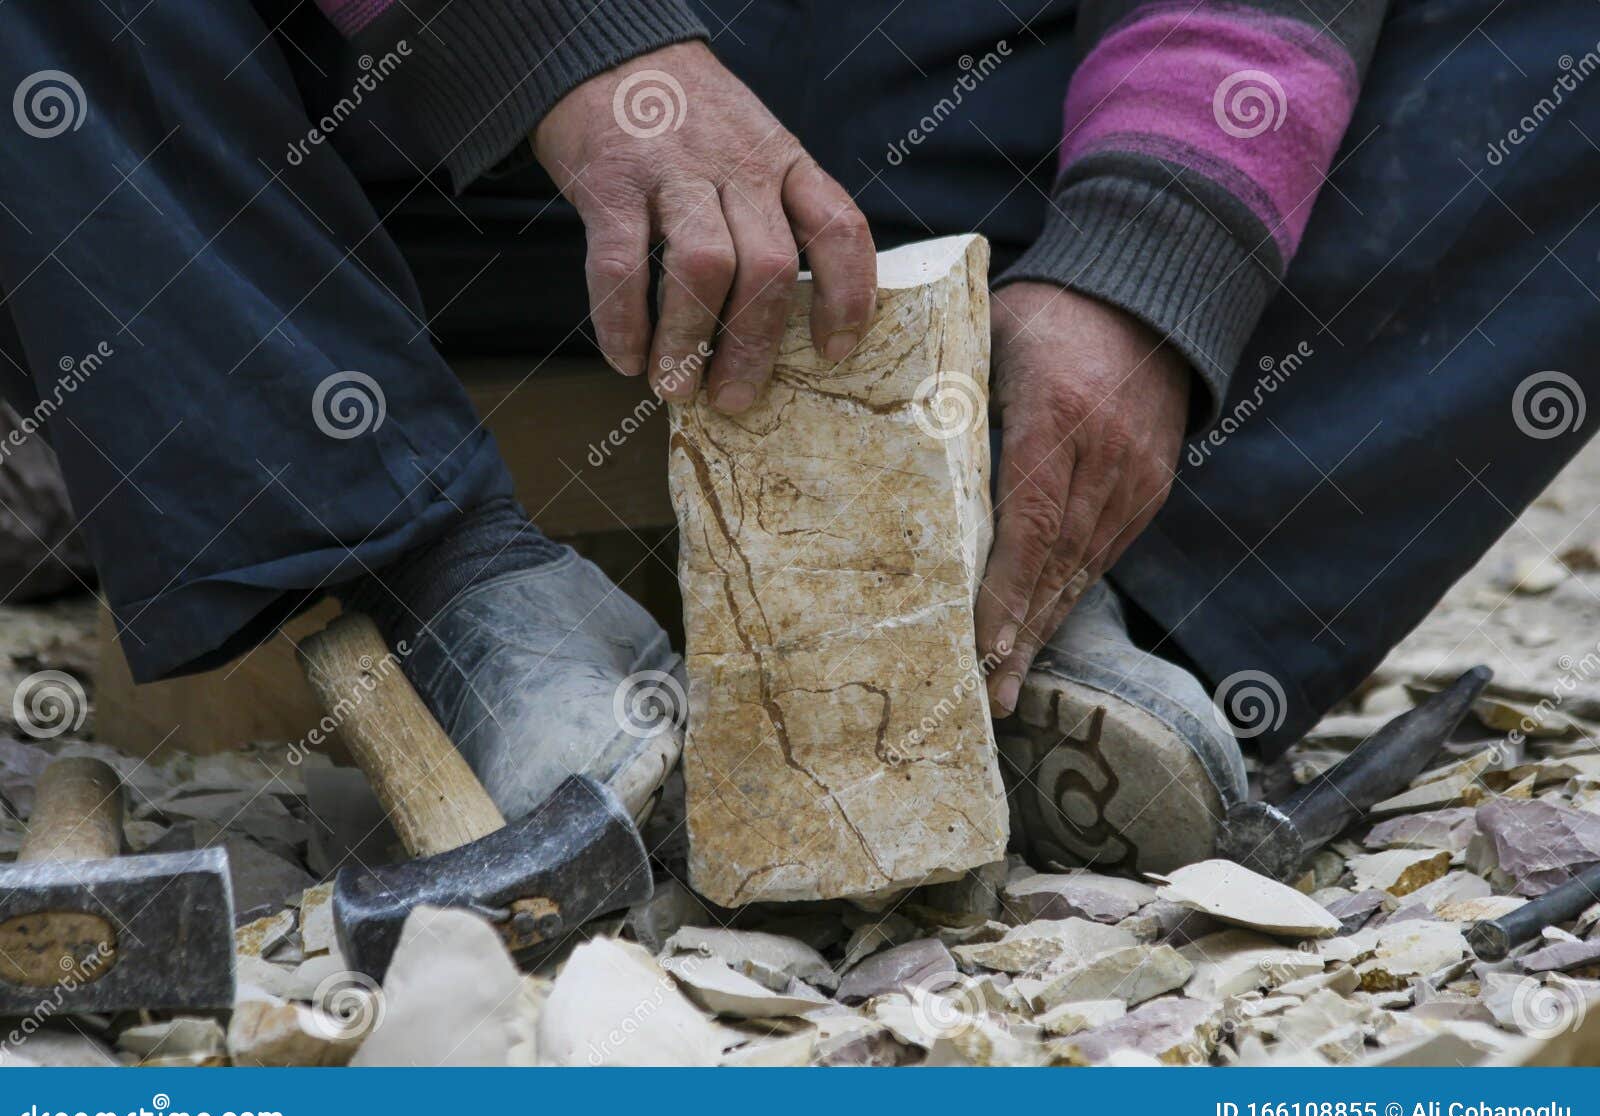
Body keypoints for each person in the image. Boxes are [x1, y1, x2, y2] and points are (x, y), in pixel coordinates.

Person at [1, 0, 1594, 873]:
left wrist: (1159, 251)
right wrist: (575, 47)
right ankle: (446, 590)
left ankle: (1069, 612)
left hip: (977, 134)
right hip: (394, 140)